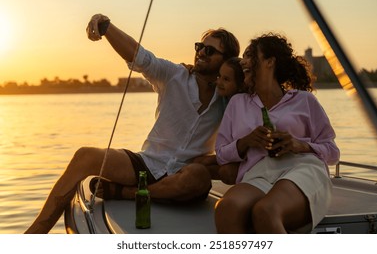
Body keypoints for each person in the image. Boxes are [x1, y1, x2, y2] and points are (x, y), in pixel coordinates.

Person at [24, 13, 240, 233]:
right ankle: (33, 236)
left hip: (185, 174)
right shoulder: (174, 74)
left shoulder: (229, 99)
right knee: (85, 156)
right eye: (199, 47)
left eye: (210, 50)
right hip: (147, 164)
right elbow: (141, 57)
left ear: (226, 61)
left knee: (199, 178)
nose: (201, 52)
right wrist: (106, 26)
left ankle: (126, 193)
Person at [214, 32, 340, 233]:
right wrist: (245, 142)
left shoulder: (304, 101)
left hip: (302, 167)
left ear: (269, 62)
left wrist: (299, 145)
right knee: (226, 208)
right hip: (258, 173)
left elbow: (333, 152)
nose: (243, 62)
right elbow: (220, 154)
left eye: (250, 55)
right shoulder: (238, 103)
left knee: (266, 210)